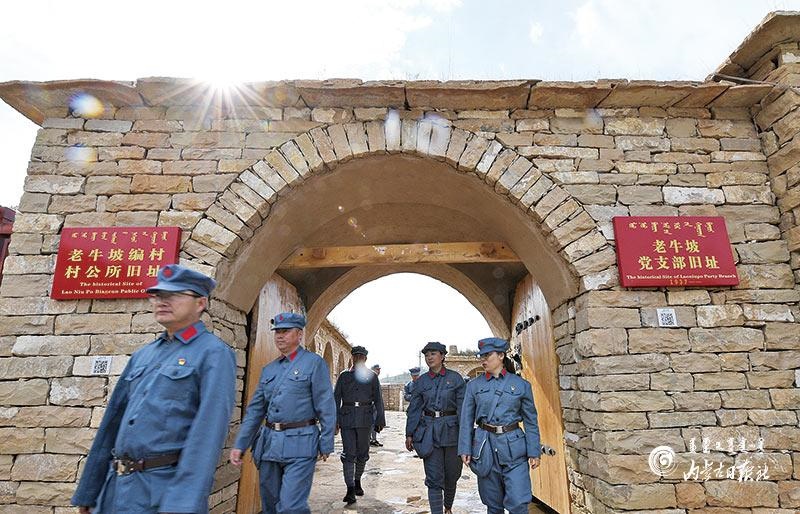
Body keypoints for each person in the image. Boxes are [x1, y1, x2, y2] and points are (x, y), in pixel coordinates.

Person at [71, 264, 237, 514]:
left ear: (200, 303)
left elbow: (208, 433)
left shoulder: (213, 353)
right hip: (114, 490)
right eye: (157, 295)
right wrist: (89, 492)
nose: (162, 301)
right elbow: (112, 424)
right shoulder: (144, 355)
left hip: (160, 493)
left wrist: (182, 504)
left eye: (174, 294)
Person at [229, 312, 336, 514]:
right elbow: (255, 411)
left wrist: (326, 441)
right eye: (277, 331)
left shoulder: (314, 363)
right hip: (269, 445)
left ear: (299, 334)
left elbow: (326, 406)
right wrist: (241, 444)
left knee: (291, 507)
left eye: (285, 331)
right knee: (270, 506)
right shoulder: (269, 370)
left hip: (301, 444)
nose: (279, 335)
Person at [458, 337, 541, 514]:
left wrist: (534, 451)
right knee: (493, 504)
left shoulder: (521, 385)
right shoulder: (473, 386)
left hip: (514, 450)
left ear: (501, 355)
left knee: (519, 502)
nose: (483, 360)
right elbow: (466, 420)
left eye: (487, 355)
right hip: (485, 448)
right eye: (481, 356)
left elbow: (531, 421)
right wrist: (464, 448)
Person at [405, 342, 466, 514]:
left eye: (433, 354)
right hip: (429, 433)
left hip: (452, 433)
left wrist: (466, 436)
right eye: (426, 355)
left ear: (443, 356)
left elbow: (463, 410)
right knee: (433, 478)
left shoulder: (456, 379)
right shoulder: (421, 381)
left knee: (452, 475)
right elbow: (414, 409)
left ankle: (448, 507)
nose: (429, 358)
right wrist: (409, 433)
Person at [333, 346, 386, 505]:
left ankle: (357, 481)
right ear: (352, 357)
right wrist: (334, 420)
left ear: (365, 359)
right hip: (347, 418)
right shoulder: (344, 376)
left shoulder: (372, 376)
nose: (358, 359)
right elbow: (336, 399)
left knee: (362, 453)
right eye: (356, 356)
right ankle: (350, 489)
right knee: (348, 454)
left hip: (365, 418)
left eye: (361, 356)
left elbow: (378, 399)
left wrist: (380, 420)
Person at [369, 363, 383, 447]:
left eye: (379, 369)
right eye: (377, 369)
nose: (378, 371)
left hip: (376, 405)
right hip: (371, 405)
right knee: (371, 423)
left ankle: (373, 439)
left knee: (375, 422)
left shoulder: (375, 379)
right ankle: (370, 439)